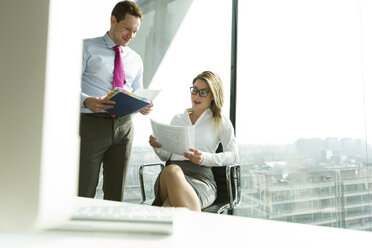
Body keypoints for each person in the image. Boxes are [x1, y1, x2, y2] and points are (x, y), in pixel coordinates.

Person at [79, 1, 152, 201]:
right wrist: (86, 101)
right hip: (92, 124)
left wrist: (144, 103)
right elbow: (65, 87)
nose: (131, 35)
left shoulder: (136, 59)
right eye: (127, 28)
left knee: (116, 193)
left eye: (135, 31)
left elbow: (137, 91)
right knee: (83, 189)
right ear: (113, 20)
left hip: (124, 128)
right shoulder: (86, 47)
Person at [148, 71, 239, 211]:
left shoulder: (221, 121)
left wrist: (204, 158)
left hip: (201, 180)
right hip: (170, 177)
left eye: (203, 92)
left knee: (169, 206)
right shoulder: (178, 118)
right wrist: (158, 146)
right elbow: (165, 156)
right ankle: (197, 228)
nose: (196, 96)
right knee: (172, 170)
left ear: (214, 95)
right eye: (194, 90)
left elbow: (233, 156)